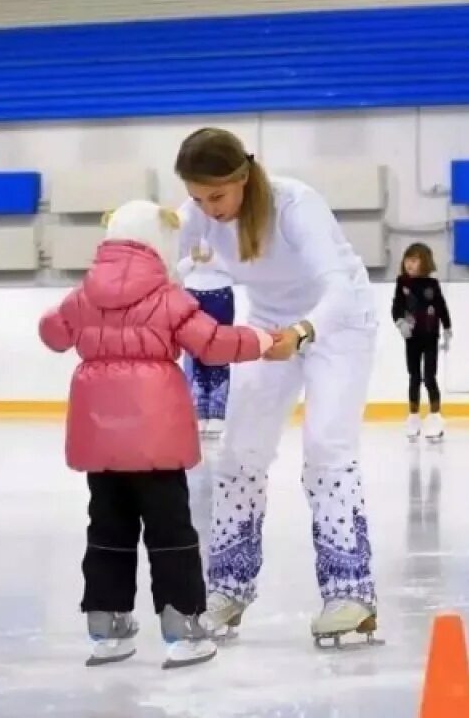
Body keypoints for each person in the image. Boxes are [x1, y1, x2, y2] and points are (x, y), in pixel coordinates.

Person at [39, 200, 272, 669]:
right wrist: (264, 340)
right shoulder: (168, 296)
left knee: (107, 528)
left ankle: (107, 626)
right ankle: (182, 626)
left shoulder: (85, 293)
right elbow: (213, 343)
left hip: (100, 437)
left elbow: (52, 334)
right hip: (155, 437)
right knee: (171, 531)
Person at [174, 127, 381, 646]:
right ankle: (228, 586)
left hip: (338, 324)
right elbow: (167, 271)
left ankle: (349, 593)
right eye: (198, 197)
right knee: (239, 453)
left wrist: (303, 331)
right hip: (267, 326)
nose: (208, 207)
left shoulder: (295, 206)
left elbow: (336, 284)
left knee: (326, 449)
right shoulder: (197, 212)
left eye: (217, 195)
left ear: (243, 177)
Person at [391, 242, 452, 442]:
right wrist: (400, 323)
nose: (410, 264)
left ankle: (435, 415)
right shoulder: (402, 283)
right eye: (407, 260)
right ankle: (414, 415)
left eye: (415, 260)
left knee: (429, 377)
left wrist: (447, 328)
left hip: (430, 336)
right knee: (414, 377)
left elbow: (441, 306)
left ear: (424, 262)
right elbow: (397, 307)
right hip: (412, 338)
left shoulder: (432, 285)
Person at [176, 238, 236, 438]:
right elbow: (174, 270)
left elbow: (239, 267)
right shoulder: (188, 228)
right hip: (192, 296)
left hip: (220, 296)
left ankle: (217, 412)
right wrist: (191, 259)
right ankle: (198, 411)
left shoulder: (226, 230)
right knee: (193, 354)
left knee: (218, 351)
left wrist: (213, 259)